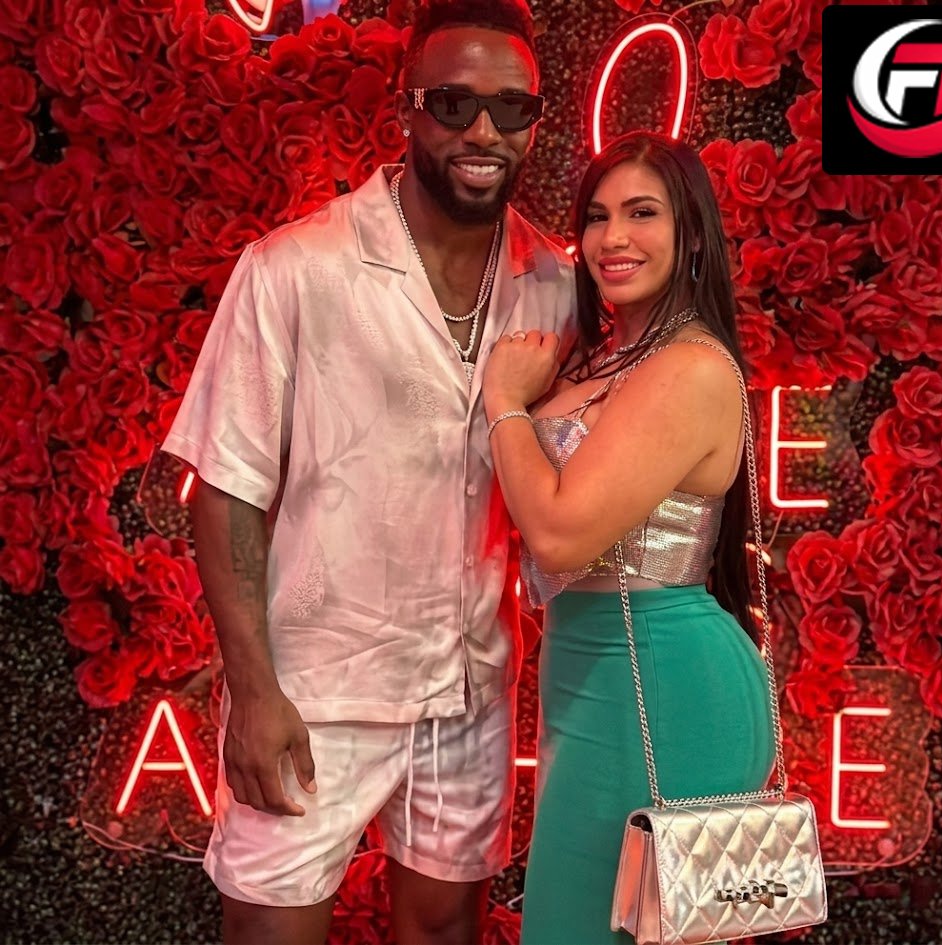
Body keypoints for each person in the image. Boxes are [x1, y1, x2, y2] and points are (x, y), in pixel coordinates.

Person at [162, 1, 574, 942]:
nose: (483, 131)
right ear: (406, 109)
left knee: (444, 932)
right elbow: (226, 489)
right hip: (313, 691)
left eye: (511, 108)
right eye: (453, 103)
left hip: (469, 688)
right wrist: (253, 691)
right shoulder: (296, 268)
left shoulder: (554, 282)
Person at [481, 132, 776, 944]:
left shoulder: (689, 366)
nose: (613, 237)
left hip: (668, 683)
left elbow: (559, 537)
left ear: (691, 232)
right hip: (589, 671)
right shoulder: (602, 357)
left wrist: (504, 401)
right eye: (598, 216)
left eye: (643, 213)